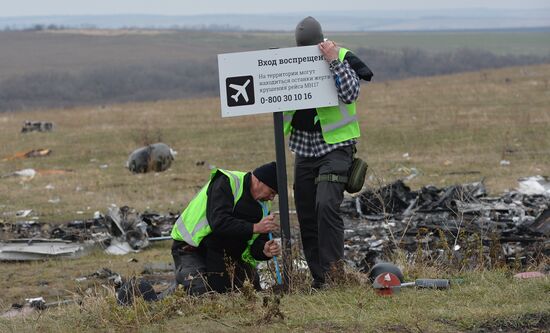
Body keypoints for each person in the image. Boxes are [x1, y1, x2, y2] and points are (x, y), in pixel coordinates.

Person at [284, 17, 373, 288]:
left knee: (325, 206)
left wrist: (333, 60)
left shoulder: (342, 56)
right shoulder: (291, 61)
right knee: (308, 213)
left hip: (335, 147)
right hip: (303, 147)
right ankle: (319, 278)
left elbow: (350, 93)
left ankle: (335, 275)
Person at [170, 161, 282, 294]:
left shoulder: (263, 206)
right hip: (191, 247)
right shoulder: (227, 182)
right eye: (272, 192)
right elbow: (218, 222)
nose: (271, 198)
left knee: (251, 292)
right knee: (200, 293)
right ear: (259, 181)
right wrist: (255, 227)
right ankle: (157, 298)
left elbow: (254, 243)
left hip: (223, 253)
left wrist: (264, 250)